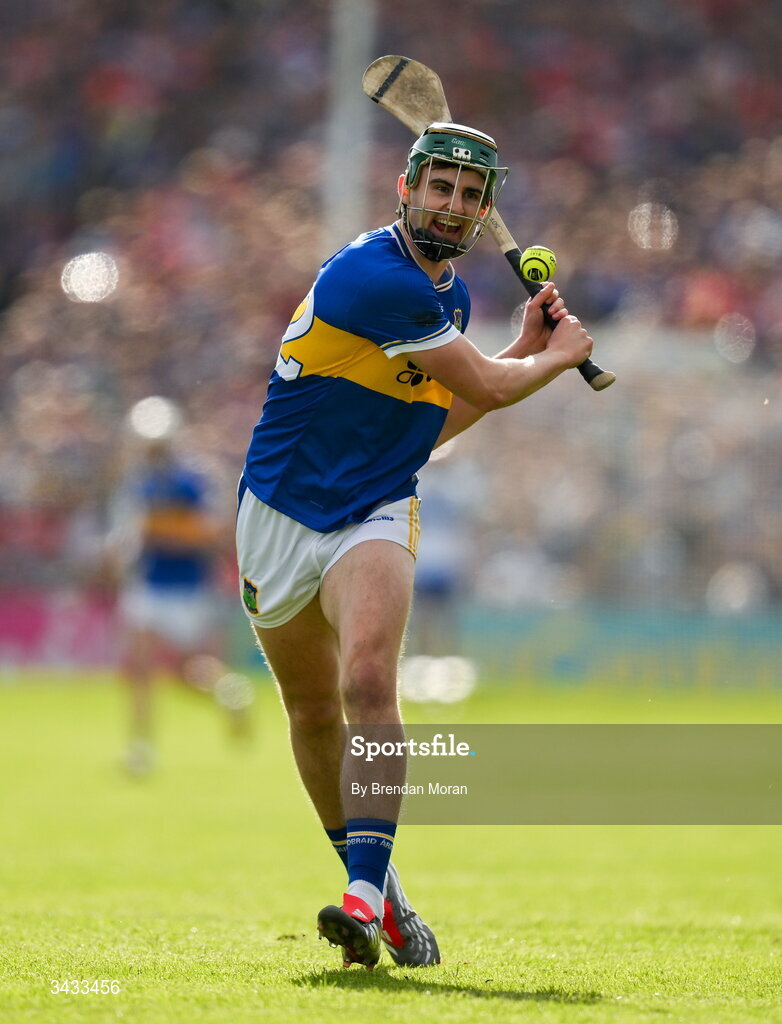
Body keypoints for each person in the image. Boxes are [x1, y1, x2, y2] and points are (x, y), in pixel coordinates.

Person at [235, 122, 593, 969]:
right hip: (280, 511)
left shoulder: (452, 301)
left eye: (471, 195)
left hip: (376, 508)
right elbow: (491, 387)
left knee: (366, 679)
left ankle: (360, 897)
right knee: (313, 711)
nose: (454, 205)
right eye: (440, 187)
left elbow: (431, 429)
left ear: (484, 211)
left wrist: (518, 353)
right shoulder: (374, 278)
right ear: (406, 188)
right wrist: (553, 358)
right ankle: (385, 890)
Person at [109, 397, 249, 776]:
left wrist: (165, 532)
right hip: (151, 585)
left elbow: (213, 530)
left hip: (189, 587)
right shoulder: (138, 479)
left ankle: (227, 693)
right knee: (138, 665)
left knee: (188, 673)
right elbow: (127, 534)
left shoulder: (192, 478)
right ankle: (140, 748)